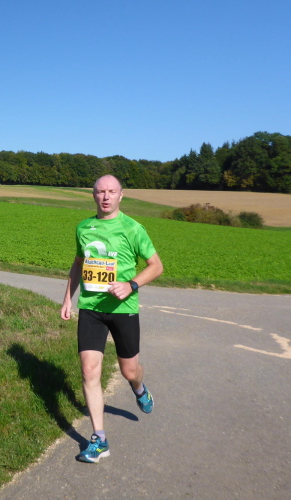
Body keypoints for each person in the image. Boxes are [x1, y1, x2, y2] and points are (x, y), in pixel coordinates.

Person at [60, 175, 163, 463]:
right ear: (93, 195)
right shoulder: (83, 227)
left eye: (111, 191)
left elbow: (156, 266)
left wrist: (131, 284)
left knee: (129, 371)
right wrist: (68, 298)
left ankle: (139, 388)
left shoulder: (133, 228)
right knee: (88, 371)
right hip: (91, 309)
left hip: (123, 309)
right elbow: (78, 263)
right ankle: (99, 440)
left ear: (121, 195)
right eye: (101, 192)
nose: (106, 197)